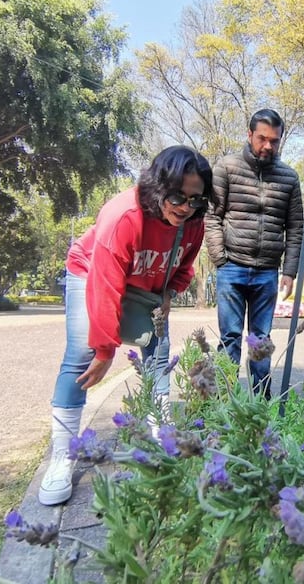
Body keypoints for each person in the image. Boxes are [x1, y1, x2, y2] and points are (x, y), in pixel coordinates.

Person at [38, 145, 215, 505]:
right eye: (178, 196)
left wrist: (171, 294)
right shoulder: (125, 216)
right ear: (157, 185)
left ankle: (160, 430)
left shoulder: (193, 222)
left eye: (195, 200)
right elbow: (105, 285)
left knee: (159, 352)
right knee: (81, 356)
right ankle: (62, 455)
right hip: (91, 273)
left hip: (147, 286)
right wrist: (105, 350)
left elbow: (183, 264)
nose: (185, 207)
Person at [205, 108, 304, 398]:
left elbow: (295, 227)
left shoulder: (289, 177)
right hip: (231, 267)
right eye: (262, 138)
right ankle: (224, 403)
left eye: (274, 140)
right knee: (230, 339)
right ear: (249, 135)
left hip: (267, 273)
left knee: (261, 341)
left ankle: (261, 405)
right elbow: (212, 216)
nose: (267, 146)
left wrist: (289, 271)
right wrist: (219, 258)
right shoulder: (226, 168)